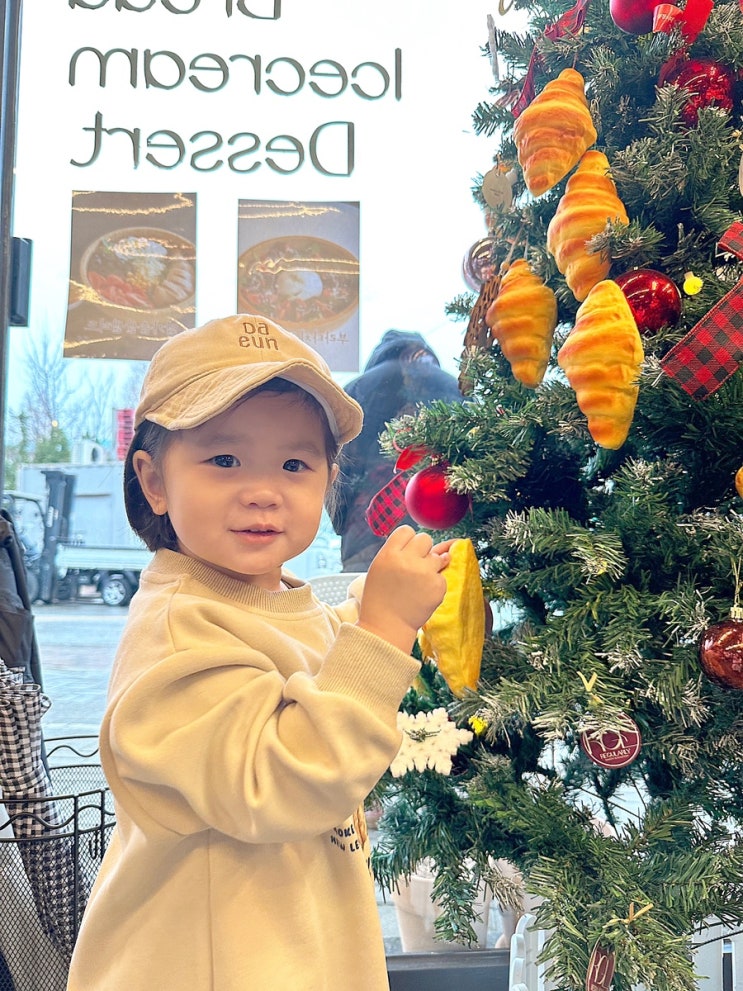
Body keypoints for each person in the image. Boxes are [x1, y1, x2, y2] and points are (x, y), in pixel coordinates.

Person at [66, 314, 453, 991]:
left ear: (328, 481)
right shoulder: (177, 630)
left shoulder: (256, 599)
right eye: (223, 459)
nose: (262, 488)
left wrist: (371, 610)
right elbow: (283, 780)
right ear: (154, 482)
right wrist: (383, 627)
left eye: (294, 463)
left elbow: (300, 650)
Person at [328, 330, 462, 572]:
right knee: (445, 599)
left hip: (366, 534)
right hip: (442, 527)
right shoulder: (453, 387)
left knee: (363, 603)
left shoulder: (356, 391)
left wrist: (342, 523)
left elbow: (337, 470)